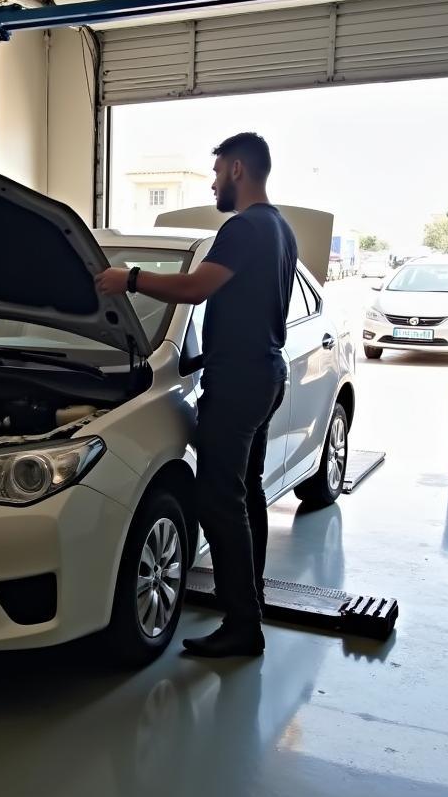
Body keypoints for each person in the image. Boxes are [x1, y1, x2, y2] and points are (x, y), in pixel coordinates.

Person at [95, 132, 297, 658]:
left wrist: (129, 278)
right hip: (266, 374)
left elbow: (194, 288)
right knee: (245, 494)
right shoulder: (280, 228)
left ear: (236, 169)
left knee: (218, 499)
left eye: (215, 173)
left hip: (238, 381)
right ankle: (248, 605)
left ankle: (242, 623)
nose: (212, 184)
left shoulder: (243, 227)